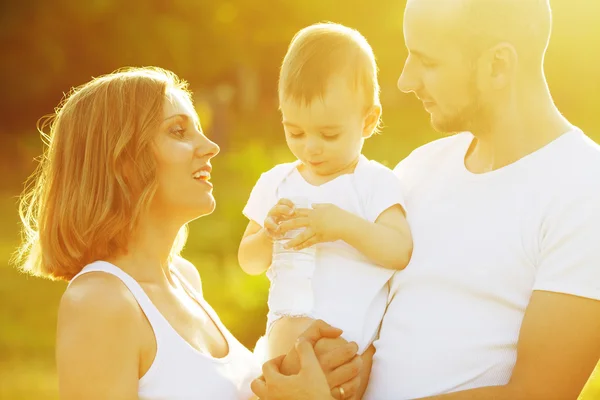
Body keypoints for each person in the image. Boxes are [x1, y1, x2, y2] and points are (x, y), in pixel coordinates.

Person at [14, 67, 360, 400]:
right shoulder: (99, 302)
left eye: (199, 128)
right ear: (123, 161)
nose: (211, 147)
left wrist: (292, 370)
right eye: (178, 131)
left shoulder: (185, 279)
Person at [361, 0, 600, 399]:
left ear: (498, 65)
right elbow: (379, 323)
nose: (405, 80)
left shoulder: (586, 189)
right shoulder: (417, 170)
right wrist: (348, 363)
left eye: (427, 62)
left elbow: (541, 393)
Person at [237, 22, 412, 379]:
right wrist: (267, 235)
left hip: (349, 347)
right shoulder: (276, 183)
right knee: (290, 349)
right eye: (295, 131)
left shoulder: (375, 182)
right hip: (288, 341)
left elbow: (399, 250)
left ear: (368, 121)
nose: (310, 147)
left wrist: (342, 225)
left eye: (329, 134)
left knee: (329, 364)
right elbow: (248, 262)